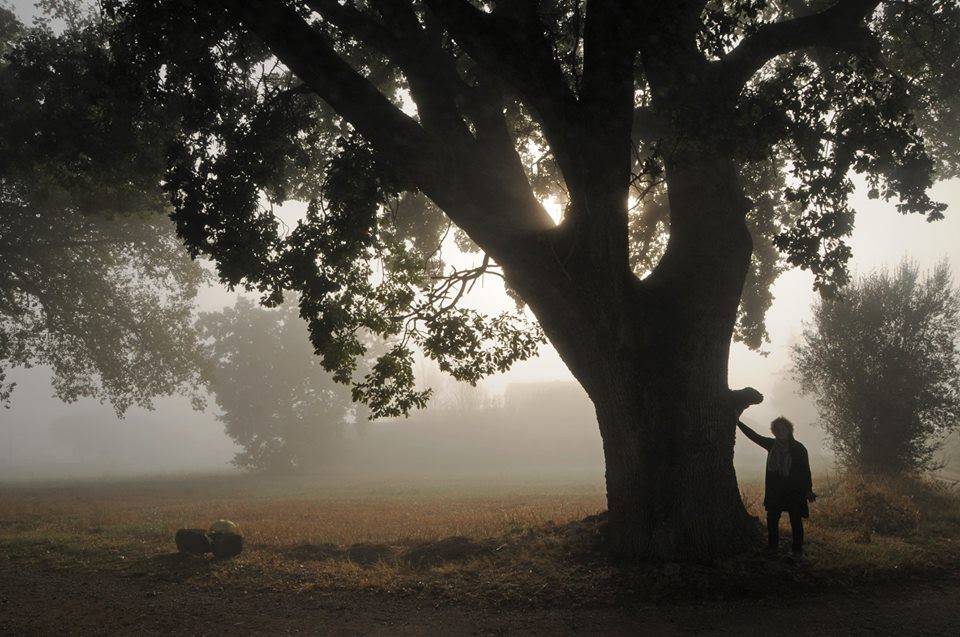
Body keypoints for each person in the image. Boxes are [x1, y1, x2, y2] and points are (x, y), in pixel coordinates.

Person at [737, 417, 816, 556]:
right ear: (774, 432)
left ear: (789, 430)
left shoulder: (799, 448)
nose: (780, 432)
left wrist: (808, 490)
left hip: (794, 491)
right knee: (772, 519)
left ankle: (797, 550)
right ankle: (772, 547)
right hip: (776, 491)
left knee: (796, 521)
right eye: (777, 430)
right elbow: (754, 436)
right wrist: (737, 422)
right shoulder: (771, 444)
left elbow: (805, 472)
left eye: (783, 429)